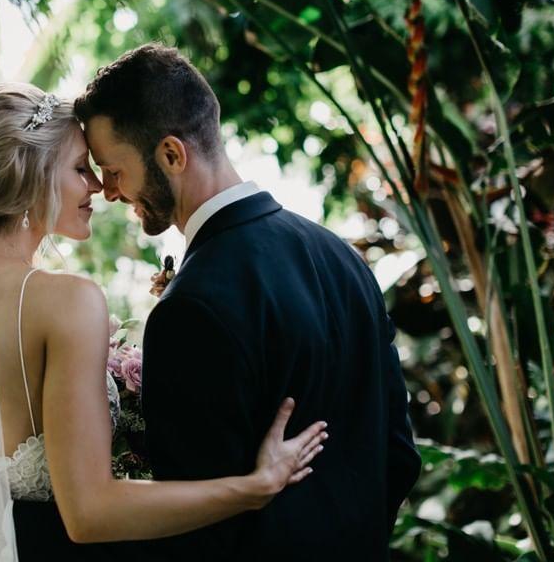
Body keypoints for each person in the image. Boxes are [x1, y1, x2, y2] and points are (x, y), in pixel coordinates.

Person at [0, 82, 328, 560]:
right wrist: (252, 488)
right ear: (31, 175)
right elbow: (89, 514)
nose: (98, 188)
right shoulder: (65, 302)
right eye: (80, 168)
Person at [76, 43, 421, 560]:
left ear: (171, 155)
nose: (107, 191)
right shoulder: (340, 257)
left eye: (113, 170)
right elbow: (400, 453)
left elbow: (194, 528)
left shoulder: (189, 309)